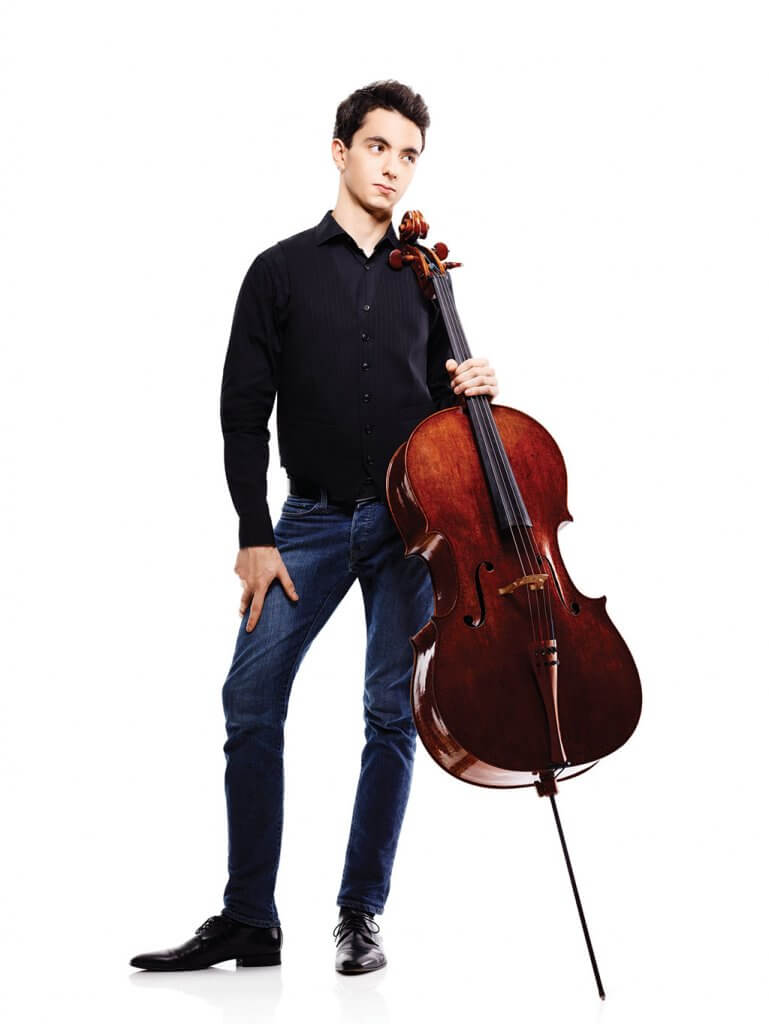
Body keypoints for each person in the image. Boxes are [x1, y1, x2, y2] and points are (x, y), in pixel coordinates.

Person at [129, 79, 499, 976]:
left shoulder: (427, 277)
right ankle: (248, 919)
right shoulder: (279, 270)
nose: (393, 168)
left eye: (408, 155)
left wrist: (473, 388)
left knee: (391, 715)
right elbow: (240, 414)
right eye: (378, 147)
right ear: (340, 151)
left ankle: (359, 914)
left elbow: (447, 419)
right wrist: (255, 535)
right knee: (250, 700)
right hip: (308, 522)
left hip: (411, 529)